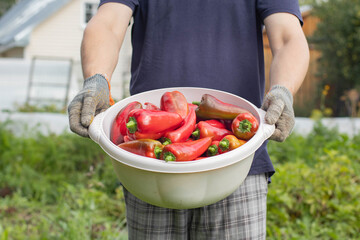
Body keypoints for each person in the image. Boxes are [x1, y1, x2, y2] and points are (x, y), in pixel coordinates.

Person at [68, 0, 309, 239]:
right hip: (150, 165)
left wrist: (283, 90)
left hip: (237, 166)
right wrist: (97, 78)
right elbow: (108, 22)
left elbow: (289, 36)